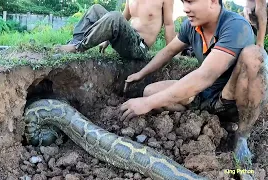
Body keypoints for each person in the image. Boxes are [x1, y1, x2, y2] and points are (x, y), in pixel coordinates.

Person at [120, 0, 268, 171]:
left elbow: (205, 75)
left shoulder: (235, 26)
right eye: (183, 2)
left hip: (230, 99)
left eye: (190, 1)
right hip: (204, 94)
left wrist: (147, 104)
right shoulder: (191, 25)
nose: (185, 8)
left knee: (255, 55)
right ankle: (206, 119)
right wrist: (141, 74)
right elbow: (168, 51)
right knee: (150, 91)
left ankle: (241, 135)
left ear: (212, 2)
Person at [54, 0, 176, 60]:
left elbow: (169, 25)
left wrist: (173, 54)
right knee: (95, 9)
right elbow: (123, 19)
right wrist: (106, 38)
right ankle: (74, 43)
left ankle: (78, 48)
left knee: (115, 16)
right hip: (125, 39)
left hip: (139, 47)